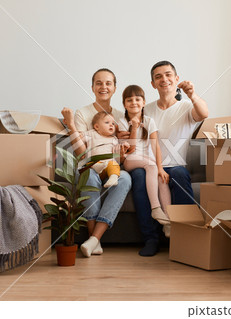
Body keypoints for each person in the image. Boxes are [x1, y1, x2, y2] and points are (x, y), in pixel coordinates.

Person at [129, 61, 209, 256]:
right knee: (139, 176)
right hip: (149, 165)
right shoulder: (145, 110)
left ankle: (185, 236)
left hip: (174, 166)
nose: (163, 79)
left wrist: (192, 94)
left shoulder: (186, 107)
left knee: (179, 174)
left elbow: (204, 113)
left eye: (168, 75)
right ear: (152, 84)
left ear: (176, 79)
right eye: (158, 77)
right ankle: (151, 239)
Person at [61, 68, 131, 258]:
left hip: (111, 167)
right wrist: (71, 127)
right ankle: (95, 240)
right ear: (92, 87)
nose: (103, 87)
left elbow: (120, 156)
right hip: (90, 166)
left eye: (108, 83)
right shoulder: (83, 114)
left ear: (115, 88)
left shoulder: (120, 115)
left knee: (124, 178)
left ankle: (93, 240)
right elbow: (82, 153)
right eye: (99, 83)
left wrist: (122, 154)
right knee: (88, 173)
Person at [118, 85, 171, 232]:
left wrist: (161, 168)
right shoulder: (122, 122)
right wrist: (134, 127)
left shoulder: (149, 121)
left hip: (147, 160)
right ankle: (155, 208)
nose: (134, 102)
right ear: (124, 104)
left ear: (143, 102)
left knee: (161, 177)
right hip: (130, 160)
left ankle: (167, 223)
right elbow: (130, 149)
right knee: (152, 166)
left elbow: (156, 147)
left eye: (137, 99)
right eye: (129, 100)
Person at [63, 110, 127, 188]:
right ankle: (98, 167)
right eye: (107, 122)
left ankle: (113, 178)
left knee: (114, 164)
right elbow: (78, 138)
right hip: (94, 163)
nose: (111, 125)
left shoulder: (114, 139)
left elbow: (117, 154)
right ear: (96, 126)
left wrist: (123, 147)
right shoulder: (91, 134)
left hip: (108, 165)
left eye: (113, 123)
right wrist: (71, 125)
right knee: (87, 164)